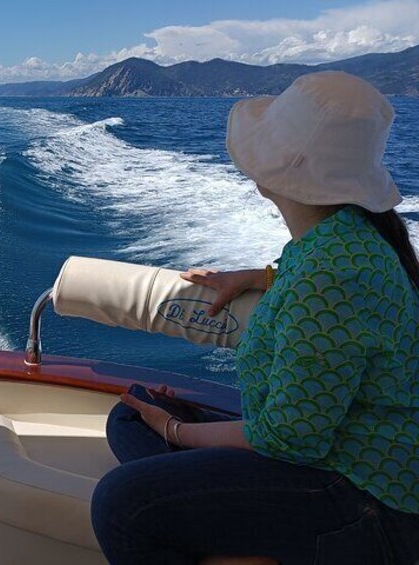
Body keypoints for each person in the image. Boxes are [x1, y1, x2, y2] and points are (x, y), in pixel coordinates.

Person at [90, 71, 419, 564]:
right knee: (129, 417)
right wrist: (257, 276)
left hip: (364, 497)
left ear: (274, 175)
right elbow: (323, 295)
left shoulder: (334, 271)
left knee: (120, 505)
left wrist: (175, 432)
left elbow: (289, 439)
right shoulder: (340, 240)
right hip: (325, 450)